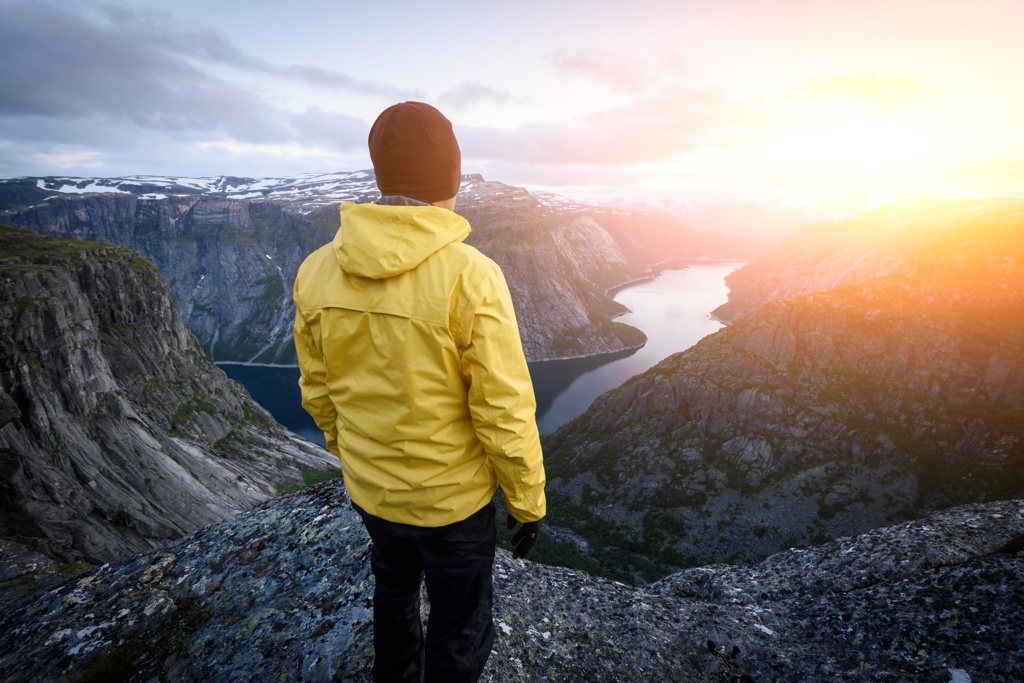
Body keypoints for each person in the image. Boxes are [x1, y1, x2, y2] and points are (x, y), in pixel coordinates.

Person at [293, 101, 546, 683]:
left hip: (373, 492)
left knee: (394, 591)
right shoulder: (469, 275)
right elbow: (503, 406)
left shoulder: (317, 270)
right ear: (451, 177)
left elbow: (317, 388)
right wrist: (527, 500)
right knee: (459, 625)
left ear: (382, 175)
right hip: (452, 503)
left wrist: (352, 454)